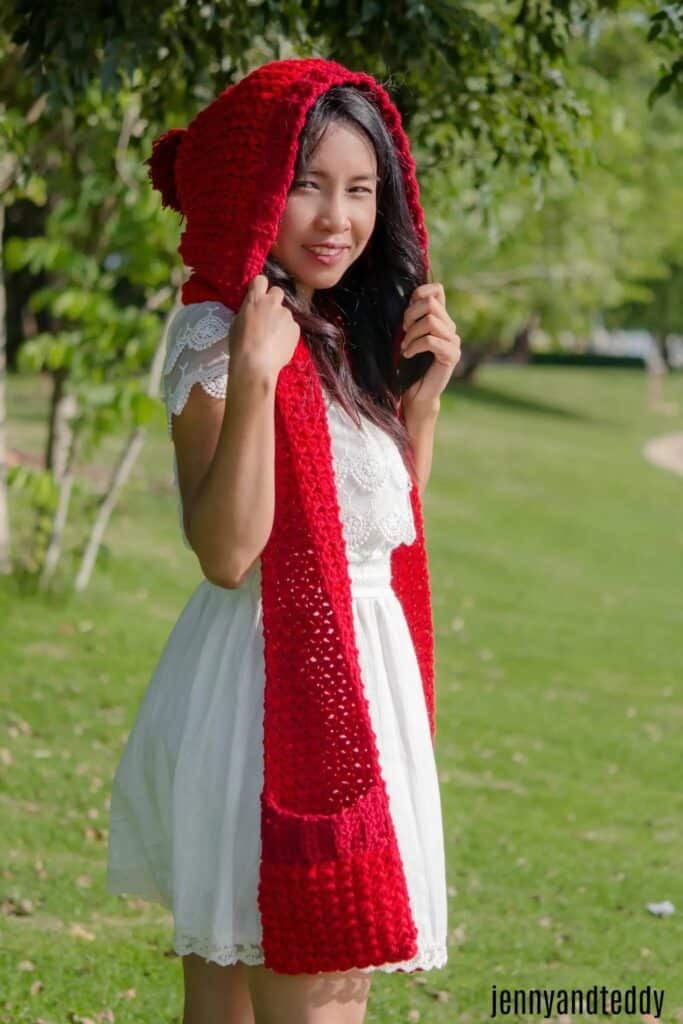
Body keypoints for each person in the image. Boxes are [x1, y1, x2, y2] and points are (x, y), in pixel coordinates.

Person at [106, 57, 461, 1024]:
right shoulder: (222, 334)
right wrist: (258, 379)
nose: (338, 219)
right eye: (310, 186)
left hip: (355, 681)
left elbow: (376, 534)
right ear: (259, 187)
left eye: (360, 191)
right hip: (266, 697)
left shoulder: (347, 334)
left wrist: (417, 404)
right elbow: (227, 552)